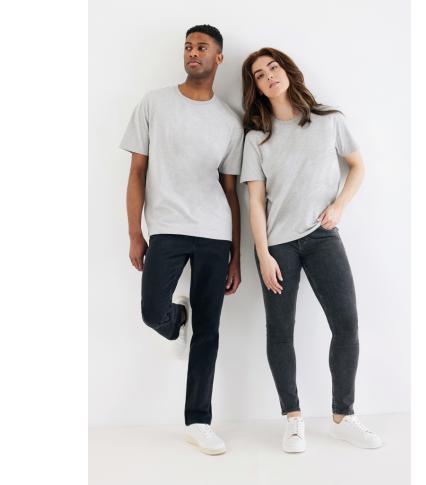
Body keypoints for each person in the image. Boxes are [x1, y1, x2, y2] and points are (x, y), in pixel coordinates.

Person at [240, 47, 383, 453]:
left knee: (346, 324)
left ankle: (343, 417)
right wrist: (263, 254)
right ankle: (293, 419)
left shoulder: (329, 121)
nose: (269, 76)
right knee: (280, 331)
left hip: (322, 237)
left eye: (273, 67)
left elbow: (357, 166)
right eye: (259, 74)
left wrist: (339, 206)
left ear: (287, 71)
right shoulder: (256, 138)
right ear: (257, 87)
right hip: (277, 245)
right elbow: (255, 201)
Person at [120, 24, 243, 456]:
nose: (193, 52)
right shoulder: (154, 103)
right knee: (152, 311)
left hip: (214, 231)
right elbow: (137, 172)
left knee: (209, 331)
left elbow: (231, 192)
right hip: (167, 227)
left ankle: (198, 421)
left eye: (202, 47)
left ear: (218, 57)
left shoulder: (229, 120)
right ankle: (177, 319)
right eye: (188, 46)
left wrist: (236, 256)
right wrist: (135, 233)